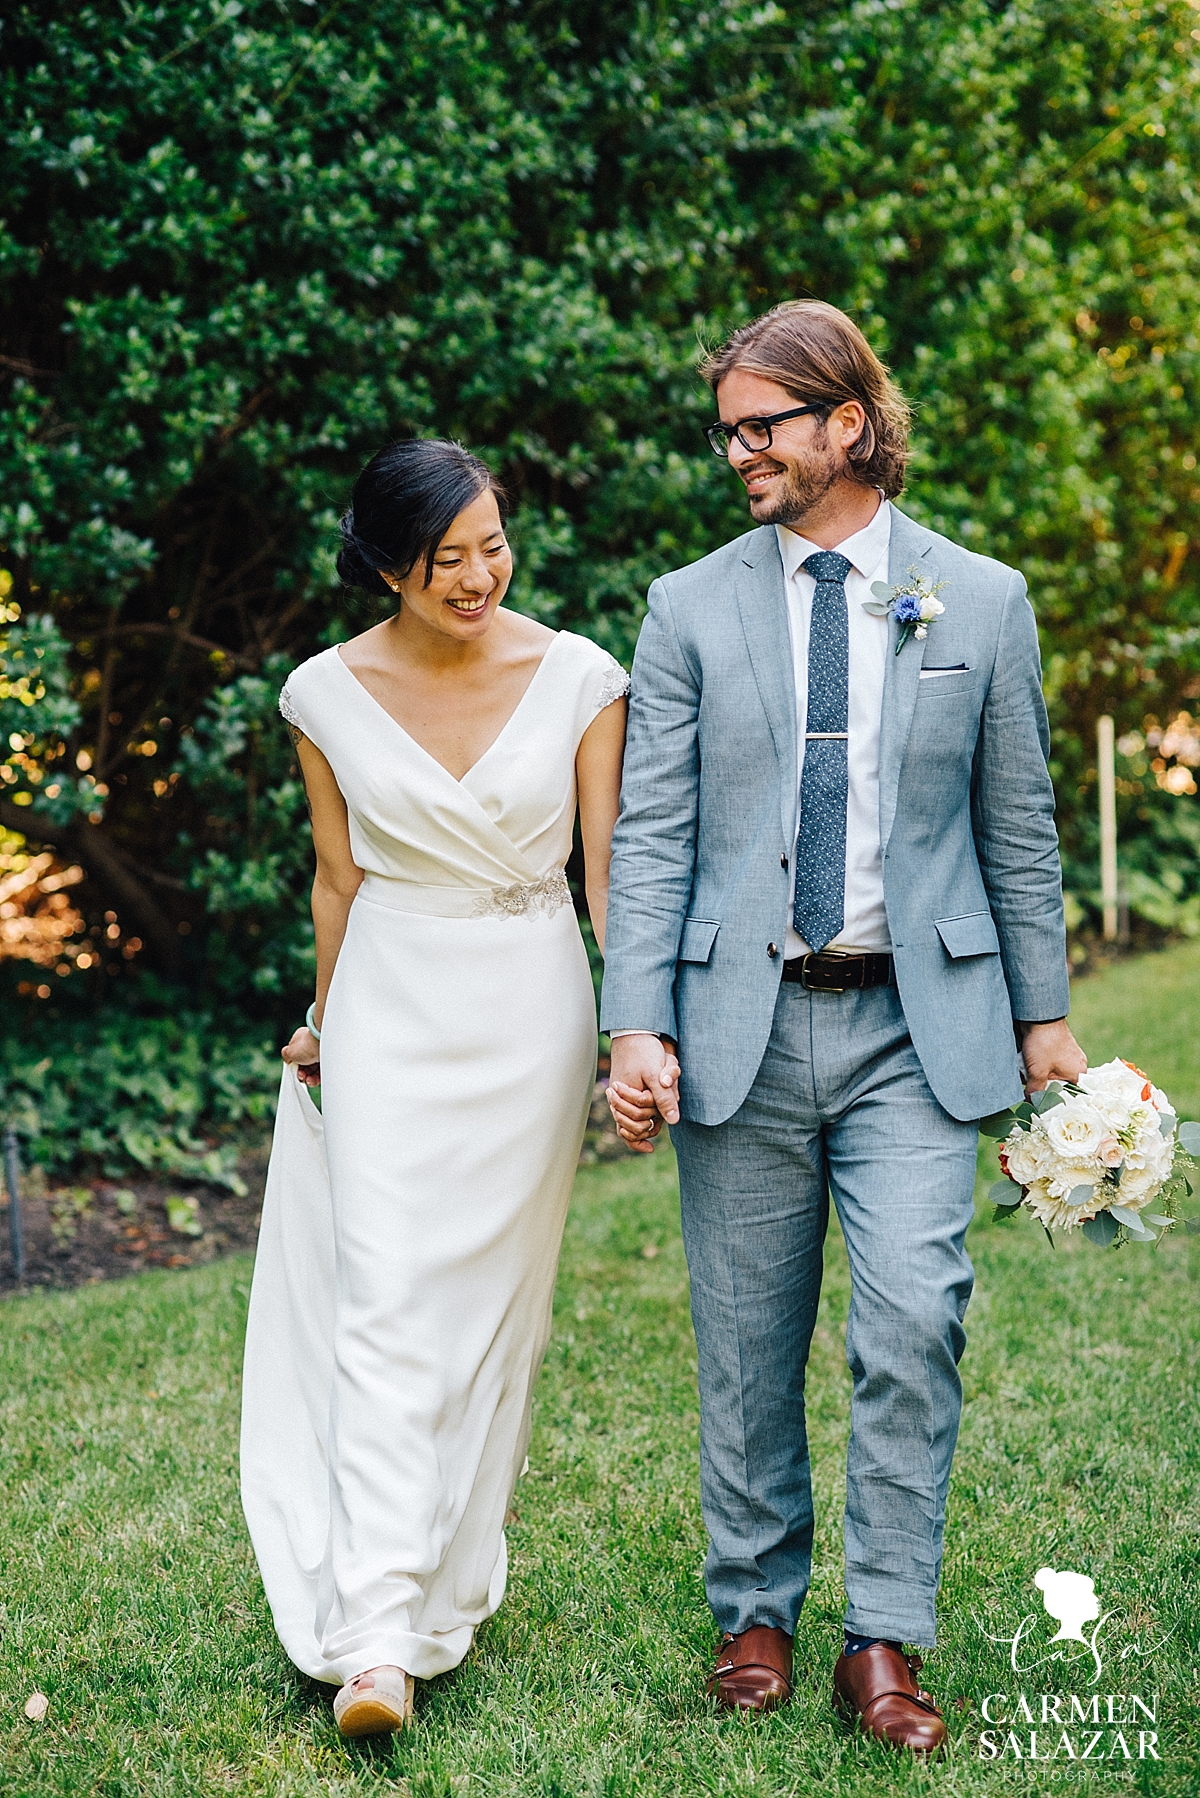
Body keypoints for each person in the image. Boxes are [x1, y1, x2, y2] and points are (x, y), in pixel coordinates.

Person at [600, 300, 1085, 1754]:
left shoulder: (981, 598)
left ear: (848, 425)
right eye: (727, 428)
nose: (737, 450)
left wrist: (1045, 1021)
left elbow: (1021, 824)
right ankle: (754, 1607)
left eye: (764, 425)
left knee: (913, 1317)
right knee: (747, 1342)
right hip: (738, 1015)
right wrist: (636, 1021)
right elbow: (651, 832)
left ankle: (886, 1632)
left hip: (917, 1028)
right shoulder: (688, 605)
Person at [240, 438, 628, 1737]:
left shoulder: (578, 676)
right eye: (443, 558)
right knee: (389, 1299)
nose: (476, 575)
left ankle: (444, 1568)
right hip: (390, 1007)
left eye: (491, 546)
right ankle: (376, 1636)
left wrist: (637, 1029)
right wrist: (323, 1014)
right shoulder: (321, 694)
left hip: (528, 1011)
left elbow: (606, 880)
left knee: (489, 1322)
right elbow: (337, 879)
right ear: (386, 565)